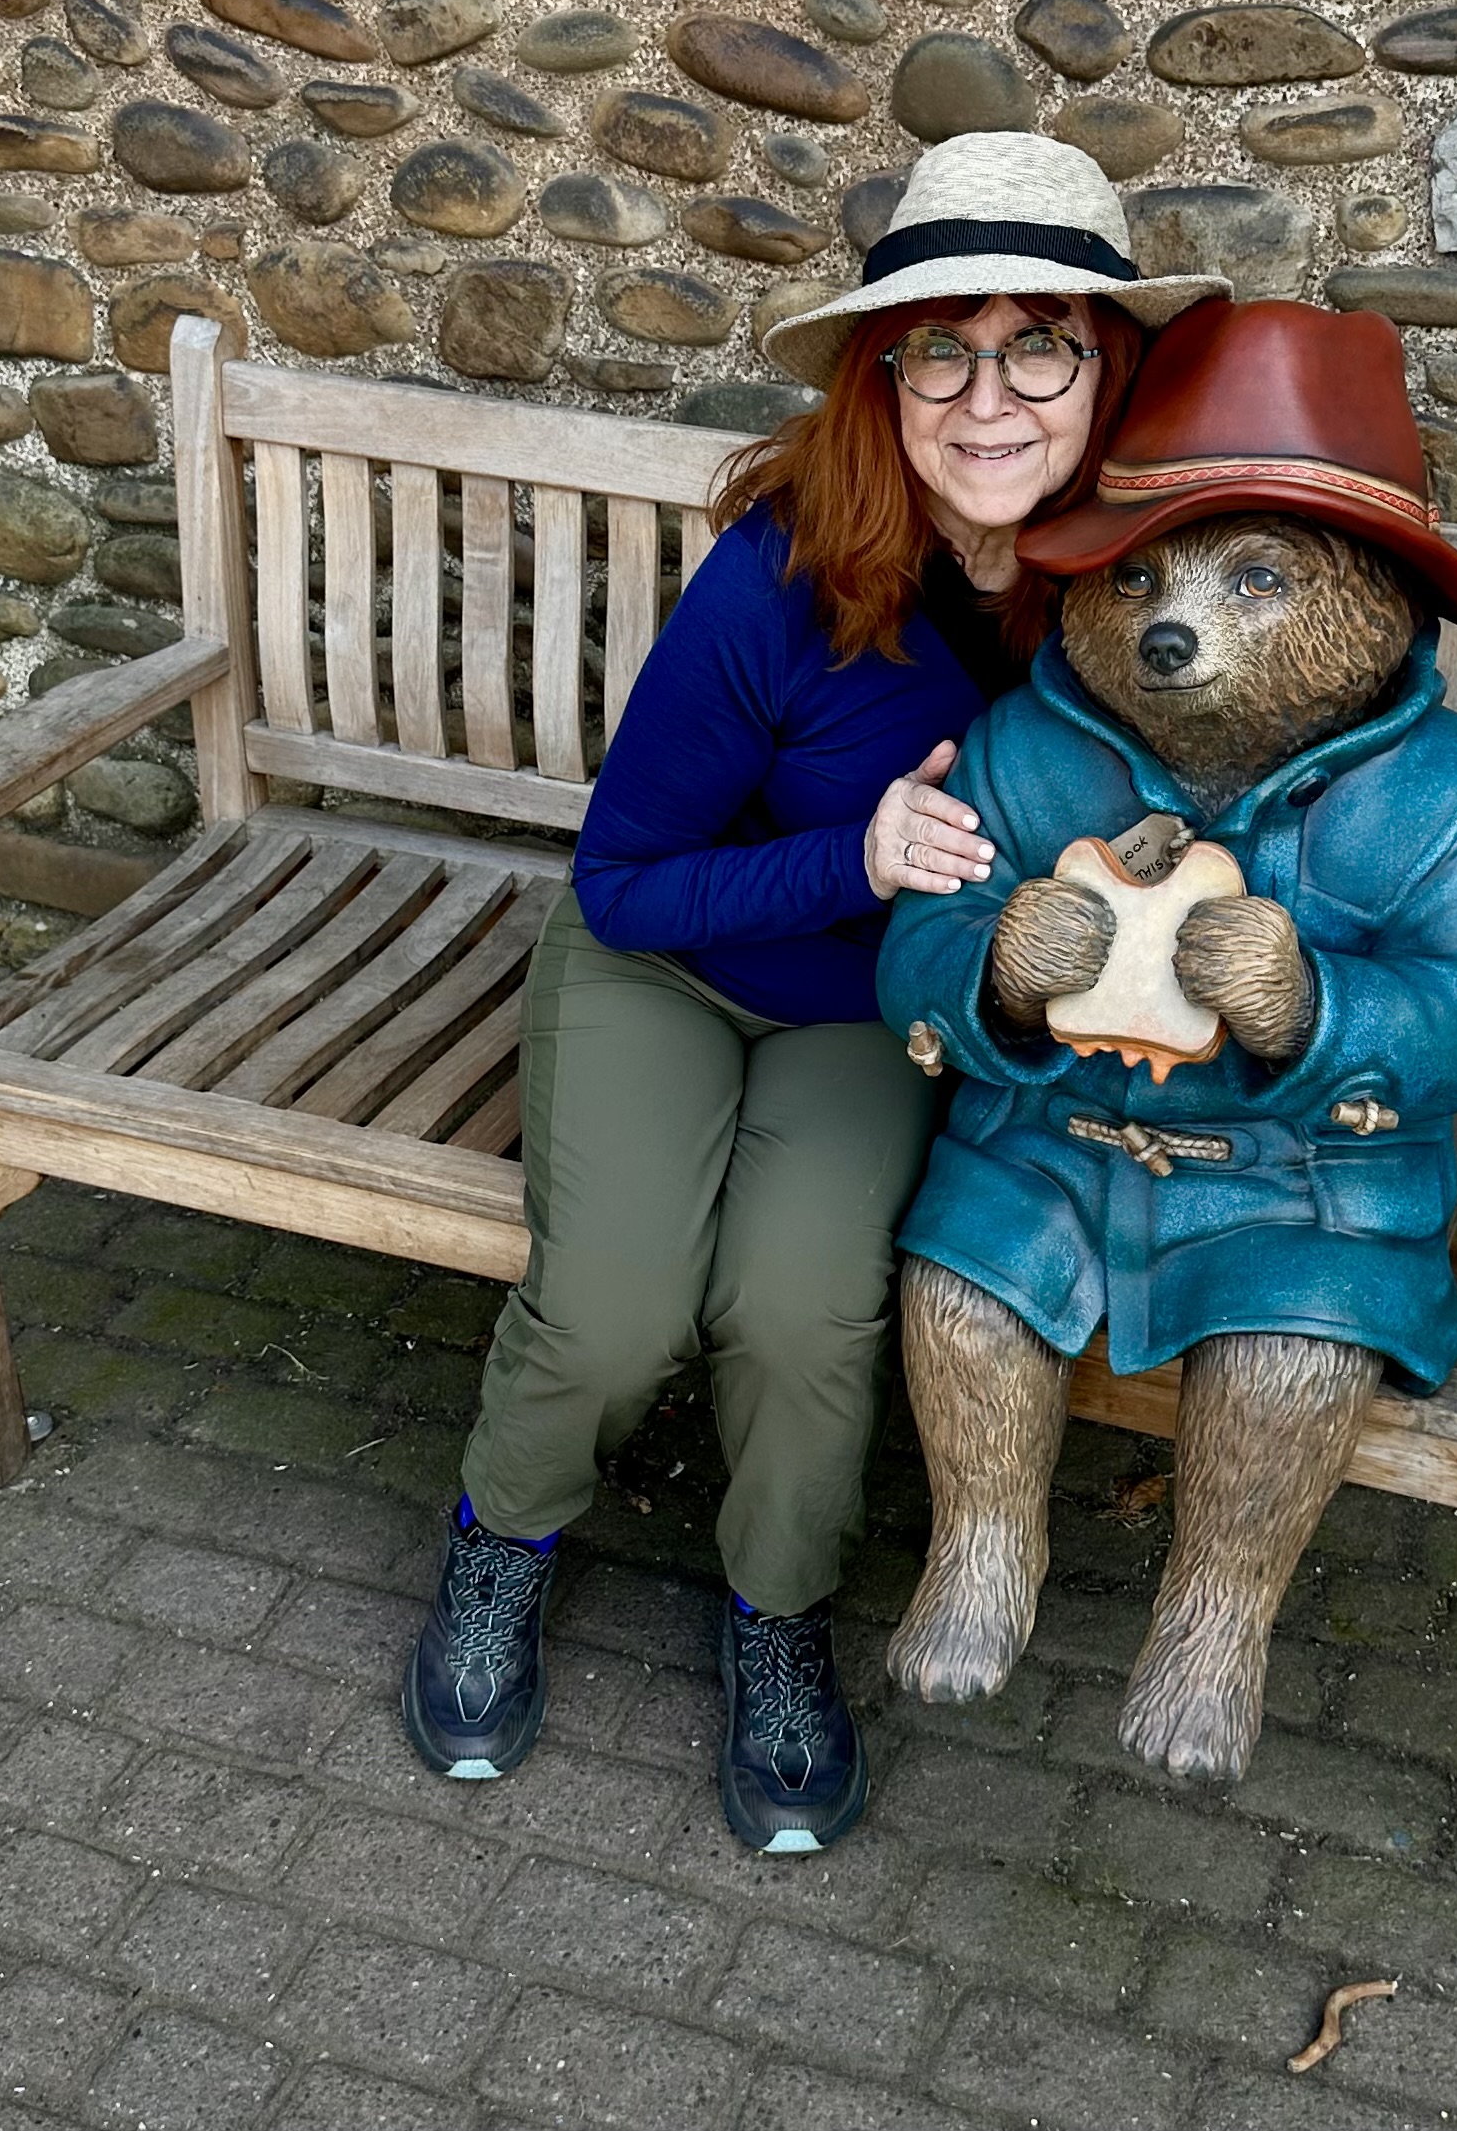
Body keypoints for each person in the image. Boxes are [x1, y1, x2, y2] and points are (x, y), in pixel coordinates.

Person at [402, 132, 1229, 1853]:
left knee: (797, 1311)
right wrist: (849, 859)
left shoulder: (1131, 589)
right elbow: (622, 877)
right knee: (617, 1306)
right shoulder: (783, 573)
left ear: (1108, 368)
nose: (987, 397)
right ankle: (505, 1535)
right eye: (942, 346)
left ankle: (775, 1613)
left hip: (877, 1014)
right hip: (672, 966)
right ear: (886, 372)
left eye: (1037, 346)